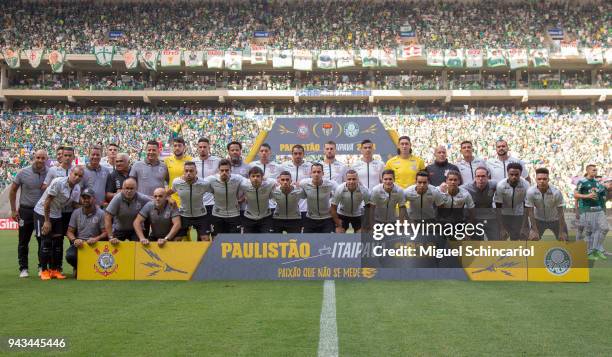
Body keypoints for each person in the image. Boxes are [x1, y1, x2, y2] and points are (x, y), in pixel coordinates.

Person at [33, 166, 84, 280]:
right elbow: (47, 201)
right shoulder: (58, 182)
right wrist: (47, 221)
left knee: (57, 244)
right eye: (75, 174)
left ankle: (55, 270)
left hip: (57, 214)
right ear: (70, 173)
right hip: (42, 212)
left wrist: (86, 206)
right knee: (45, 242)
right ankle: (44, 270)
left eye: (80, 176)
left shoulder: (77, 188)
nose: (77, 177)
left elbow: (74, 205)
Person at [9, 149, 49, 278]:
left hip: (41, 212)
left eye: (43, 158)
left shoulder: (50, 173)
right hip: (25, 211)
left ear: (46, 159)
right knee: (23, 240)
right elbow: (13, 190)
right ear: (34, 157)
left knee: (41, 240)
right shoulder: (23, 172)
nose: (40, 160)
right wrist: (14, 210)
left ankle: (41, 266)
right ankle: (23, 268)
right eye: (38, 157)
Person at [65, 188, 107, 276]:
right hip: (81, 244)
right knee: (70, 256)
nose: (86, 200)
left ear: (94, 199)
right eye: (83, 197)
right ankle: (78, 267)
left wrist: (96, 239)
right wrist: (75, 240)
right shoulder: (76, 213)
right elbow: (69, 231)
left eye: (88, 197)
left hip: (96, 245)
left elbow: (105, 232)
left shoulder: (101, 214)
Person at [167, 162, 211, 241]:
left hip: (200, 215)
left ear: (196, 172)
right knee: (177, 239)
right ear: (183, 172)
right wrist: (170, 199)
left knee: (205, 239)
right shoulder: (177, 182)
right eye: (186, 171)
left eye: (191, 171)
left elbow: (216, 192)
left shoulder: (204, 183)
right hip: (184, 215)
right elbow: (166, 194)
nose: (188, 173)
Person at [574, 165, 609, 260]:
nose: (596, 171)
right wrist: (587, 196)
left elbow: (603, 193)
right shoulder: (582, 182)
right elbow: (576, 194)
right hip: (587, 209)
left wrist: (606, 190)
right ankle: (589, 252)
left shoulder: (597, 183)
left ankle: (597, 249)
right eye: (594, 170)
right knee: (589, 231)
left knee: (605, 228)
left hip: (598, 209)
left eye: (596, 170)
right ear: (588, 171)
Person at [525, 167, 568, 241]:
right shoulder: (530, 192)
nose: (542, 181)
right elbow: (530, 212)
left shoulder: (556, 192)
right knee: (533, 238)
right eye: (539, 179)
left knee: (564, 239)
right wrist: (534, 230)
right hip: (538, 220)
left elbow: (561, 213)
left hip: (555, 220)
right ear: (536, 180)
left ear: (548, 179)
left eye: (544, 179)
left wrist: (561, 232)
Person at [105, 178, 151, 243]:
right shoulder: (117, 198)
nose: (129, 191)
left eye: (131, 188)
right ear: (122, 189)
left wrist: (167, 199)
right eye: (127, 188)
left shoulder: (142, 198)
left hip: (136, 230)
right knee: (116, 249)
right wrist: (111, 237)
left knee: (140, 247)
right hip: (119, 229)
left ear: (136, 189)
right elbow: (107, 217)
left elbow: (155, 201)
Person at [204, 159, 244, 235]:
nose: (224, 173)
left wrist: (244, 197)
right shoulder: (212, 179)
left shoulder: (238, 179)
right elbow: (198, 183)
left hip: (234, 215)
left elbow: (249, 184)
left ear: (231, 170)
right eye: (222, 170)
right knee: (217, 241)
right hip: (217, 215)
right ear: (218, 171)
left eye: (227, 170)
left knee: (234, 242)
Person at [192, 137, 220, 236]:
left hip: (213, 203)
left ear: (209, 147)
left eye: (205, 147)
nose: (202, 149)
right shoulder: (193, 162)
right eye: (200, 147)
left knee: (215, 234)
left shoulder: (217, 161)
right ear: (197, 148)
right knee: (202, 235)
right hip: (198, 204)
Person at [494, 163, 530, 240]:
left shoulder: (526, 185)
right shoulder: (501, 185)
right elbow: (498, 207)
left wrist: (524, 226)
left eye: (517, 174)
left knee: (521, 237)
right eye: (511, 174)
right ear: (508, 174)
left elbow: (527, 206)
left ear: (520, 174)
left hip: (519, 214)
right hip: (504, 215)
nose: (514, 177)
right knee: (501, 238)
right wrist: (501, 228)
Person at [464, 166, 500, 240]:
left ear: (488, 177)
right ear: (475, 177)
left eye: (483, 176)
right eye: (478, 176)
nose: (480, 179)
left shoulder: (493, 184)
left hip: (490, 216)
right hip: (474, 217)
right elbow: (454, 189)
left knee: (496, 239)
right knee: (477, 241)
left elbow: (505, 184)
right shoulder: (467, 187)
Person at [300, 163, 338, 233]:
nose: (316, 174)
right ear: (310, 173)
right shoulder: (303, 183)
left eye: (319, 172)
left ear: (323, 173)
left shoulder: (331, 184)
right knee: (307, 242)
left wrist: (334, 207)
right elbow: (300, 194)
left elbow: (340, 194)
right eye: (314, 172)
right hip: (310, 219)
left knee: (328, 242)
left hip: (327, 219)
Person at [240, 166, 276, 233]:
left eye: (258, 176)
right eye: (253, 176)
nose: (255, 178)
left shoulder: (269, 183)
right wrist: (241, 197)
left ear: (262, 177)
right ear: (249, 177)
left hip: (265, 217)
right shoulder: (244, 184)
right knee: (248, 242)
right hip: (249, 217)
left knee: (266, 241)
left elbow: (277, 181)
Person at [281, 144, 313, 217]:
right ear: (292, 154)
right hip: (288, 204)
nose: (298, 156)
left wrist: (302, 183)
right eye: (295, 153)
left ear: (303, 154)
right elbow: (279, 181)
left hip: (305, 205)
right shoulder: (284, 166)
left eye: (300, 153)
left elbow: (313, 181)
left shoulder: (310, 166)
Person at [164, 137, 193, 204]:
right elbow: (164, 180)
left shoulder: (191, 160)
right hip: (172, 199)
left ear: (184, 147)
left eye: (179, 146)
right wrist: (168, 197)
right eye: (175, 146)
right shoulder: (167, 161)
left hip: (187, 198)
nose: (177, 148)